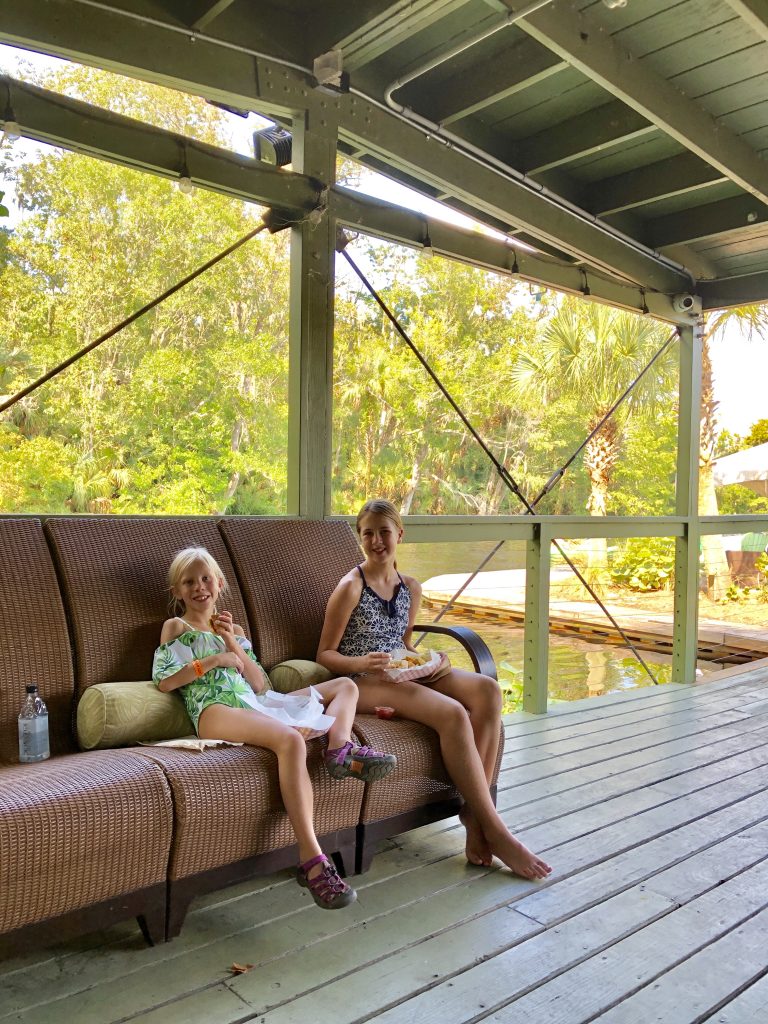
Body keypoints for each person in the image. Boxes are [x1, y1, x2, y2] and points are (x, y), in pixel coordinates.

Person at [317, 500, 552, 881]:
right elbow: (325, 654)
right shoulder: (350, 587)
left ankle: (474, 815)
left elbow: (404, 645)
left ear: (400, 535)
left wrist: (431, 661)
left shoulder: (410, 587)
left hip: (403, 671)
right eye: (368, 533)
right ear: (360, 537)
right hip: (366, 681)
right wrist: (364, 663)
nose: (377, 541)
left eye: (384, 532)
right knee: (452, 713)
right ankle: (494, 829)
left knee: (488, 693)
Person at [153, 546, 396, 910]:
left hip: (255, 702)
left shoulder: (231, 630)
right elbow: (166, 682)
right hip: (214, 708)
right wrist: (214, 659)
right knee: (290, 741)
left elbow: (260, 685)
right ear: (178, 592)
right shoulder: (177, 627)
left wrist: (232, 642)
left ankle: (339, 749)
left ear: (219, 584)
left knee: (346, 686)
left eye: (206, 579)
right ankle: (313, 860)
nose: (199, 587)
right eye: (189, 582)